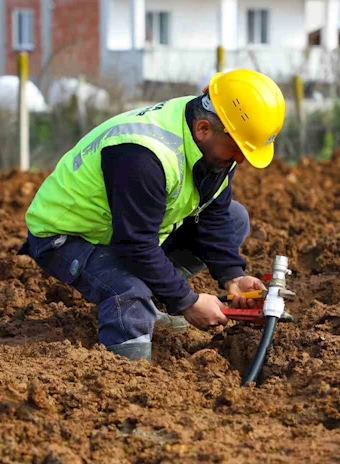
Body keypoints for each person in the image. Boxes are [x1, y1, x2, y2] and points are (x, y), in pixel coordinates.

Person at [18, 69, 286, 361]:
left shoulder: (217, 139)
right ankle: (126, 369)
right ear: (204, 129)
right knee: (129, 292)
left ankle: (154, 303)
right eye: (238, 149)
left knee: (235, 218)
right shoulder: (143, 155)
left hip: (127, 231)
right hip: (67, 235)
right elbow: (135, 245)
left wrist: (232, 275)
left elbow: (214, 213)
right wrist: (187, 301)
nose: (241, 159)